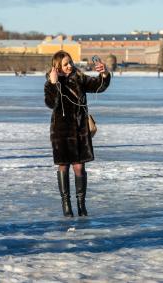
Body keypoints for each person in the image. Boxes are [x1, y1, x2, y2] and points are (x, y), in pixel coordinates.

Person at [44, 50, 111, 217]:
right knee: (63, 166)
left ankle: (81, 204)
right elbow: (52, 104)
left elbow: (98, 86)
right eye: (65, 64)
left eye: (70, 62)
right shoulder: (51, 82)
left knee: (79, 167)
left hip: (80, 130)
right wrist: (54, 84)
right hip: (61, 131)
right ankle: (66, 204)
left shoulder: (79, 78)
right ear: (57, 66)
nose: (69, 66)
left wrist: (104, 74)